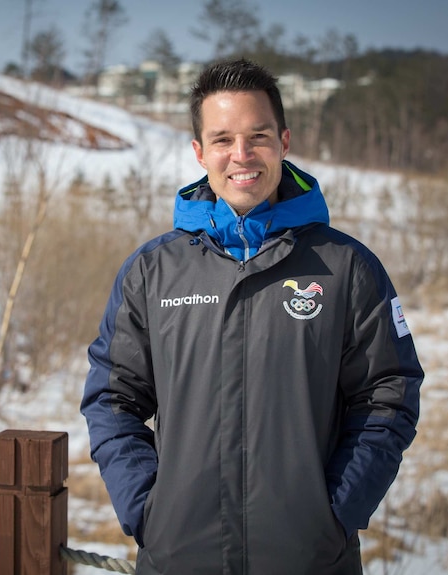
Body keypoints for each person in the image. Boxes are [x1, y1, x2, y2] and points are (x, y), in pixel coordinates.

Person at [80, 58, 423, 574]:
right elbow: (113, 398)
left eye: (257, 135)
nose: (242, 155)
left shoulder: (345, 267)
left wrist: (335, 512)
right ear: (199, 152)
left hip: (308, 560)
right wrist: (149, 509)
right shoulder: (152, 272)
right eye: (222, 139)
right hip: (180, 558)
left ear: (284, 142)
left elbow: (389, 393)